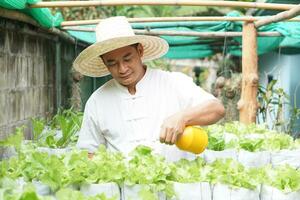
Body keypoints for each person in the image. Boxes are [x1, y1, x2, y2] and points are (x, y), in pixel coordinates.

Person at [74, 16, 225, 160]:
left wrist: (182, 117)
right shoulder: (97, 101)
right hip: (125, 186)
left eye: (127, 58)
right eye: (112, 63)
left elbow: (217, 109)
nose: (122, 69)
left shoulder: (173, 82)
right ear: (104, 63)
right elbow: (88, 152)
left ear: (140, 51)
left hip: (176, 186)